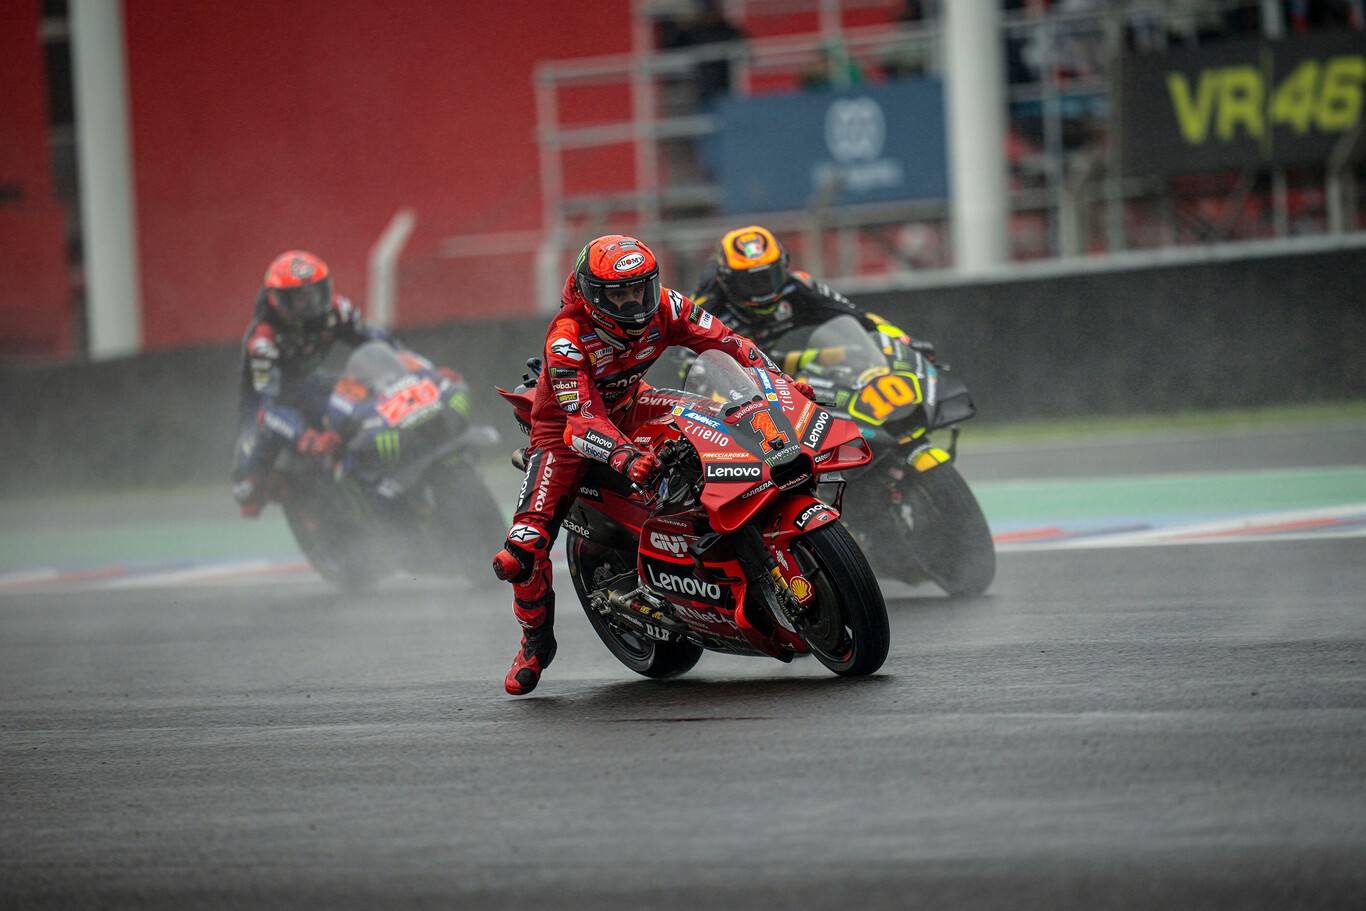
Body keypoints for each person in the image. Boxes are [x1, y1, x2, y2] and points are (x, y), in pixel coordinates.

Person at [490, 234, 815, 696]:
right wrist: (624, 456)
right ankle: (535, 642)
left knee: (721, 419)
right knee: (521, 550)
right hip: (564, 434)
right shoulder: (566, 339)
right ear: (590, 294)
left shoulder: (668, 306)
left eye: (639, 289)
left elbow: (730, 344)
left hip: (633, 404)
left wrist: (781, 385)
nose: (633, 303)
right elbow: (582, 424)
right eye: (618, 294)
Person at [232, 250, 394, 517]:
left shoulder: (339, 311)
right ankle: (297, 499)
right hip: (267, 404)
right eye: (300, 297)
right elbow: (267, 408)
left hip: (308, 386)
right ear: (278, 301)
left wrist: (417, 368)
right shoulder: (263, 339)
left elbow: (382, 344)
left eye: (316, 293)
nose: (311, 303)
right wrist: (303, 436)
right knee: (246, 492)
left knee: (367, 399)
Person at [689, 225, 935, 369]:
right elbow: (694, 366)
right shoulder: (707, 307)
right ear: (726, 281)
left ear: (784, 267)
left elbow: (860, 318)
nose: (762, 290)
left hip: (772, 367)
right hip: (727, 380)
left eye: (770, 277)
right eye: (750, 282)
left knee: (844, 363)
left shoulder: (798, 288)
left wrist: (904, 341)